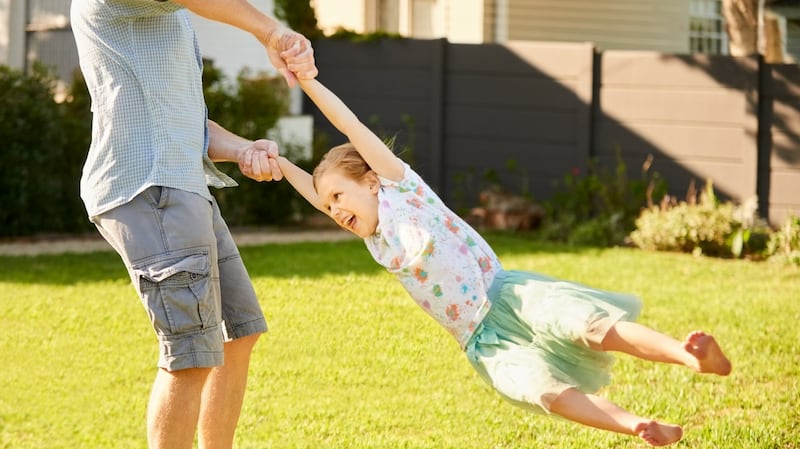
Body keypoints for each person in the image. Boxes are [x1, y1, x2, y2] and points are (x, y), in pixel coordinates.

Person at [272, 72, 732, 446]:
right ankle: (637, 426)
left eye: (338, 196)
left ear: (370, 181)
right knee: (543, 391)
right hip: (481, 340)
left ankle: (690, 357)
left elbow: (351, 126)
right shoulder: (372, 238)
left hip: (510, 294)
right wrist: (277, 166)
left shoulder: (400, 187)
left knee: (589, 325)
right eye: (328, 206)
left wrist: (307, 82)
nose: (333, 210)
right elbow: (313, 196)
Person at [70, 1, 317, 448]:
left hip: (182, 185)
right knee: (189, 355)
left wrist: (243, 150)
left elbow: (183, 120)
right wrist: (270, 32)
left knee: (237, 332)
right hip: (151, 191)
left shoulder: (170, 16)